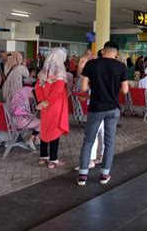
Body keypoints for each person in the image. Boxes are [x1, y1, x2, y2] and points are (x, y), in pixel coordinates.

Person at [77, 41, 129, 185]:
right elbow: (125, 90)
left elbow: (83, 88)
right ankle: (104, 174)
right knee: (109, 141)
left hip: (96, 108)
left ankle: (82, 175)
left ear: (103, 51)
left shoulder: (91, 64)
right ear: (116, 53)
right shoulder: (121, 67)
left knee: (88, 140)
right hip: (113, 108)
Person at [35, 48, 69, 168]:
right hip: (56, 105)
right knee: (55, 130)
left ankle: (43, 156)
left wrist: (42, 101)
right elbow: (59, 89)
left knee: (45, 127)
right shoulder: (60, 72)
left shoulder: (43, 73)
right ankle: (53, 159)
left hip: (44, 105)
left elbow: (37, 88)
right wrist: (49, 102)